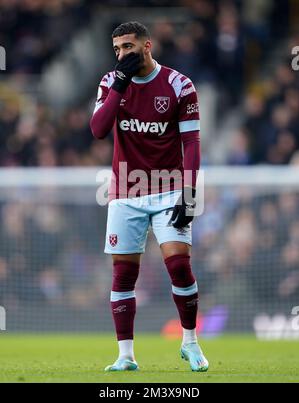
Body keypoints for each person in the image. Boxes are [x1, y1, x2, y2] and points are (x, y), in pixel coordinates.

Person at [90, 21, 208, 372]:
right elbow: (97, 130)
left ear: (147, 45)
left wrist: (189, 193)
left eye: (128, 47)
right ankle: (126, 356)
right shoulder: (112, 83)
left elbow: (191, 143)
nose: (122, 55)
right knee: (123, 275)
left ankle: (190, 342)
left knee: (179, 265)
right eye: (117, 50)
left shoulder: (179, 85)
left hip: (170, 188)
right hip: (125, 190)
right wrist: (121, 85)